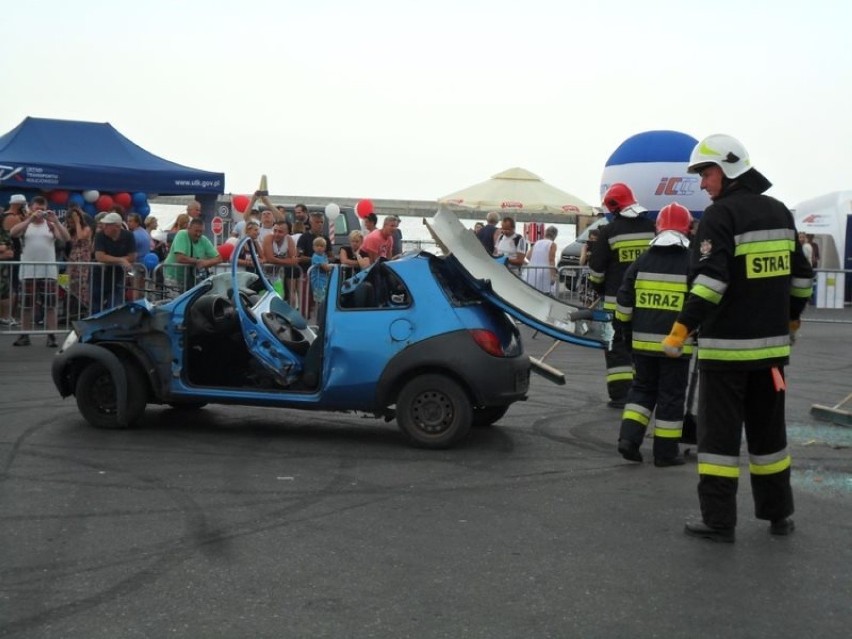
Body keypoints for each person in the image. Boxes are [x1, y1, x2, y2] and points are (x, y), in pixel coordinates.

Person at [661, 134, 814, 543]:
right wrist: (792, 319)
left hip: (725, 354)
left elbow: (711, 282)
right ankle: (779, 515)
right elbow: (802, 278)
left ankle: (718, 520)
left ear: (728, 169)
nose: (703, 183)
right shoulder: (780, 212)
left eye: (706, 173)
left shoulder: (720, 217)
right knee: (770, 438)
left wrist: (681, 329)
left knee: (718, 443)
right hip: (772, 356)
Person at [615, 203, 694, 467]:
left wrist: (626, 334)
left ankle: (628, 440)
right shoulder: (691, 261)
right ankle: (665, 453)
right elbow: (700, 303)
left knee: (641, 391)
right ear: (688, 228)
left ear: (657, 228)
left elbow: (624, 302)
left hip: (641, 343)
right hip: (676, 346)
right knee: (671, 397)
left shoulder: (643, 260)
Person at [589, 183, 656, 408]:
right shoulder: (652, 227)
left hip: (615, 302)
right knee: (643, 344)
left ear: (612, 208)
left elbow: (597, 270)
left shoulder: (608, 232)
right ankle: (644, 391)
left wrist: (600, 288)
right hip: (647, 301)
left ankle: (620, 395)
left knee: (617, 347)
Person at [9, 196, 71, 347]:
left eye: (42, 209)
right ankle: (24, 335)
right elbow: (13, 233)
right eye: (37, 209)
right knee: (26, 305)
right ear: (31, 208)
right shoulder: (26, 223)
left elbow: (66, 238)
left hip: (48, 271)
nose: (40, 212)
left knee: (51, 305)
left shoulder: (50, 224)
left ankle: (52, 336)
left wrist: (55, 221)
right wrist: (30, 219)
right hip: (28, 271)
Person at [91, 212, 137, 313]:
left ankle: (112, 328)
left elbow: (132, 257)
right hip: (98, 277)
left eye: (107, 225)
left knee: (115, 308)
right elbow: (99, 256)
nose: (104, 227)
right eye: (104, 224)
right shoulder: (100, 235)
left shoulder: (128, 235)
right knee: (95, 308)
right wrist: (121, 260)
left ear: (117, 226)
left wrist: (111, 259)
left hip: (117, 277)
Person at [163, 218, 222, 295]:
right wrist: (198, 261)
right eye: (196, 231)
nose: (198, 234)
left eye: (201, 231)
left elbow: (219, 258)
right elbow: (180, 258)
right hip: (173, 277)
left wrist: (206, 263)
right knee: (174, 302)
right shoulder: (182, 234)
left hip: (190, 279)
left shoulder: (203, 240)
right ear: (189, 229)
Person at [0, 194, 27, 326]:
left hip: (14, 253)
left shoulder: (12, 216)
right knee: (12, 284)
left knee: (12, 284)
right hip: (12, 254)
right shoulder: (11, 217)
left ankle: (8, 315)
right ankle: (8, 315)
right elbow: (17, 233)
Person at [64, 205, 94, 314]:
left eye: (73, 222)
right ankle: (68, 308)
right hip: (72, 259)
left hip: (83, 259)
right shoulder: (70, 230)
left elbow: (81, 237)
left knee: (82, 285)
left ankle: (84, 308)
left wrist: (77, 222)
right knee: (66, 283)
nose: (71, 224)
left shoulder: (86, 228)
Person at [262, 220, 300, 302]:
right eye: (275, 230)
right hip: (263, 277)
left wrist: (275, 260)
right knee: (263, 301)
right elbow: (270, 258)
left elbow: (294, 261)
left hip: (276, 277)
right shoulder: (268, 238)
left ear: (287, 232)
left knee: (278, 300)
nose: (276, 234)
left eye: (280, 232)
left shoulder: (289, 240)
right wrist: (287, 261)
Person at [522, 225, 558, 293]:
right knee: (545, 293)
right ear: (555, 235)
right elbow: (551, 260)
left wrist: (536, 260)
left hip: (532, 270)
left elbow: (528, 256)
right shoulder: (552, 244)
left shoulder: (537, 242)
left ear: (545, 233)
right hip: (545, 272)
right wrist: (553, 275)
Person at [309, 236, 331, 304]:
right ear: (313, 247)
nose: (319, 248)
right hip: (318, 282)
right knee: (320, 300)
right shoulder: (315, 257)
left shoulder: (324, 255)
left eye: (321, 246)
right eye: (317, 246)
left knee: (325, 298)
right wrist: (333, 267)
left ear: (325, 248)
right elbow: (326, 267)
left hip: (325, 280)